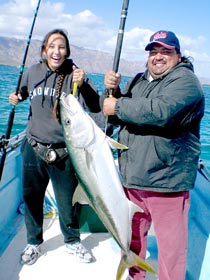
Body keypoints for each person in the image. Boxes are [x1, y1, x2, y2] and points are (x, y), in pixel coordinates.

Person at [101, 30, 205, 280]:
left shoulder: (186, 82)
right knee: (133, 243)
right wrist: (110, 91)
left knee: (171, 252)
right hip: (133, 180)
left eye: (166, 51)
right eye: (153, 52)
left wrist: (118, 105)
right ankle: (135, 277)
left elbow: (162, 111)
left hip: (166, 184)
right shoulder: (139, 80)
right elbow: (114, 113)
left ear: (178, 55)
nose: (158, 57)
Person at [9, 29, 101, 265]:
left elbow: (94, 105)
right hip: (33, 146)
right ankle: (33, 242)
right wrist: (15, 97)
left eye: (61, 47)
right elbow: (21, 92)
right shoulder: (33, 71)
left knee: (67, 201)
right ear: (44, 50)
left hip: (63, 151)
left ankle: (72, 241)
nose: (56, 51)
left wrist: (85, 83)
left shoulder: (75, 74)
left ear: (67, 51)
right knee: (32, 197)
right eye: (51, 46)